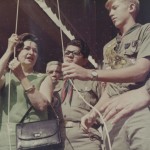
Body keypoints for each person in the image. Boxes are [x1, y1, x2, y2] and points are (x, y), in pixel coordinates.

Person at [62, 0, 150, 150]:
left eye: (115, 8)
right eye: (109, 10)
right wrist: (93, 113)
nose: (111, 13)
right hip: (113, 115)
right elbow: (111, 89)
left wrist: (90, 73)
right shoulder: (108, 47)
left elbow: (141, 71)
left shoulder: (145, 31)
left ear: (132, 7)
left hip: (139, 108)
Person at [44, 39, 103, 150]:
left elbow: (106, 102)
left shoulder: (94, 80)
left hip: (85, 137)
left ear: (85, 60)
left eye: (75, 53)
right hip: (56, 137)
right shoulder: (54, 82)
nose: (70, 55)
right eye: (67, 52)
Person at [0, 33, 52, 149]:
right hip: (8, 140)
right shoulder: (6, 77)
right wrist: (9, 50)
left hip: (35, 139)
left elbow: (42, 105)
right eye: (27, 49)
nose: (31, 53)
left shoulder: (44, 78)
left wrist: (22, 77)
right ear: (17, 52)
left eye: (35, 51)